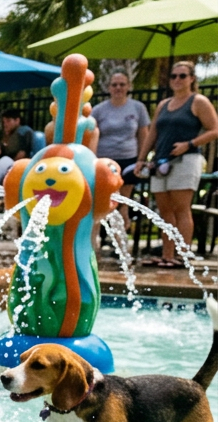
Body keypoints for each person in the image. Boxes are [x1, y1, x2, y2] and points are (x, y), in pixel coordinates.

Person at [136, 61, 218, 268]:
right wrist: (141, 159)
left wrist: (188, 144)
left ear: (191, 78)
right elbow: (153, 133)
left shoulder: (198, 101)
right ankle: (167, 255)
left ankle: (183, 256)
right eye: (173, 76)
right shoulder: (164, 105)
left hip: (186, 159)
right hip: (161, 162)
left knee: (181, 208)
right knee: (164, 211)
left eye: (182, 76)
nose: (177, 80)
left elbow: (214, 130)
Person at [92, 72, 150, 228]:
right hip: (105, 162)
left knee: (123, 203)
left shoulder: (138, 108)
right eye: (115, 85)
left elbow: (143, 134)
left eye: (122, 84)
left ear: (128, 86)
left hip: (129, 159)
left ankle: (120, 241)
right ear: (109, 87)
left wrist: (141, 159)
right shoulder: (98, 110)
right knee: (103, 201)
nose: (118, 88)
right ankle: (99, 241)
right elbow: (92, 135)